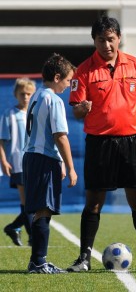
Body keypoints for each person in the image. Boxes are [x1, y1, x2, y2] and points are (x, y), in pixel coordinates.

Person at [67, 15, 136, 272]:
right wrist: (82, 109)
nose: (106, 45)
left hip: (132, 142)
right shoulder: (84, 70)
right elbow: (75, 109)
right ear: (94, 41)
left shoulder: (135, 65)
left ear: (119, 38)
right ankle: (84, 257)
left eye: (110, 39)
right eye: (101, 40)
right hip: (99, 144)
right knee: (94, 200)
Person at [23, 53, 78, 273]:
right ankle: (39, 262)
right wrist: (71, 167)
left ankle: (36, 260)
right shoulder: (53, 99)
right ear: (57, 77)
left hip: (33, 156)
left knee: (39, 209)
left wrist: (59, 162)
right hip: (42, 158)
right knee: (44, 209)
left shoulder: (37, 95)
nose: (68, 85)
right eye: (67, 80)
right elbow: (60, 136)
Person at [0, 78, 36, 246]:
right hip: (18, 162)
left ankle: (13, 227)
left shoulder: (36, 113)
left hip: (35, 162)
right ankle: (33, 238)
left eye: (29, 94)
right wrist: (4, 161)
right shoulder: (9, 114)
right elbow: (1, 140)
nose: (26, 97)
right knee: (27, 202)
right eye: (22, 94)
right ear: (16, 94)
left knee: (33, 202)